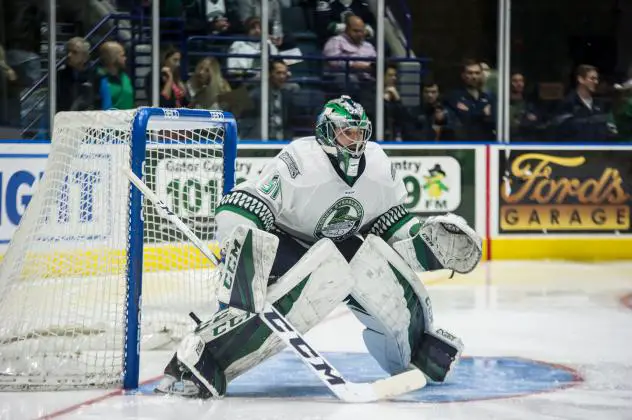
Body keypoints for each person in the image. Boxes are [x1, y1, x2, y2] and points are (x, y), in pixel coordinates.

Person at [155, 96, 482, 398]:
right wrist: (242, 252)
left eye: (359, 133)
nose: (355, 142)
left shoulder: (379, 165)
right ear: (327, 133)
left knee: (376, 266)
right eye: (346, 134)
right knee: (321, 279)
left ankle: (415, 351)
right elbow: (242, 205)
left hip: (338, 245)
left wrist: (422, 238)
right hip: (286, 244)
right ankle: (203, 359)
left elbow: (390, 221)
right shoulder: (300, 160)